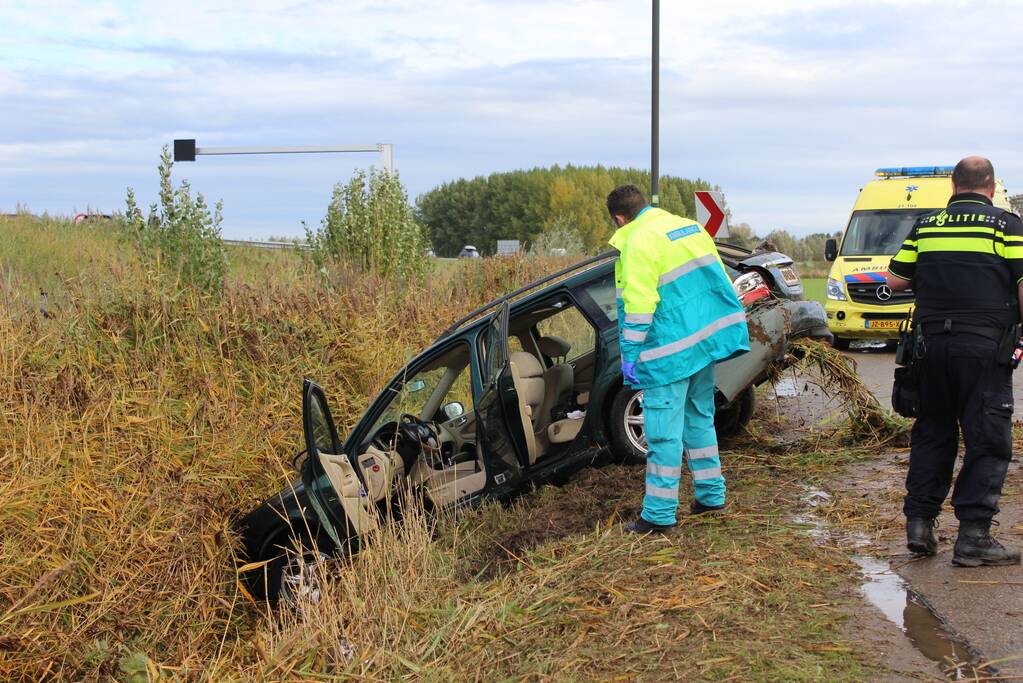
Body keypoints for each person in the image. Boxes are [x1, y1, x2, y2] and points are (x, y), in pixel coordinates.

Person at [887, 156, 1023, 566]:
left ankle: (920, 526)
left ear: (953, 186)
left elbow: (895, 279)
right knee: (987, 440)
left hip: (930, 350)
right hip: (984, 348)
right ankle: (974, 538)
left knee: (933, 434)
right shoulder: (1007, 225)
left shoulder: (927, 226)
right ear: (992, 186)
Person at [606, 185, 750, 534]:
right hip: (701, 345)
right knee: (699, 419)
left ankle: (657, 516)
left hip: (668, 353)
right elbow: (714, 281)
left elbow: (639, 305)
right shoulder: (687, 227)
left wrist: (631, 353)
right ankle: (711, 495)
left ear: (619, 219)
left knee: (663, 436)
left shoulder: (636, 241)